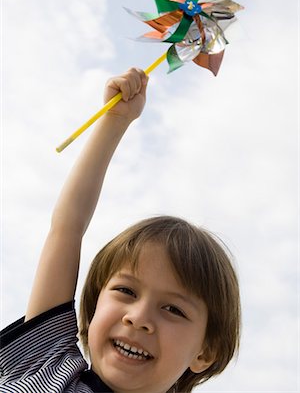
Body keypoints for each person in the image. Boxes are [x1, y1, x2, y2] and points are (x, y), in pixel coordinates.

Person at [0, 68, 241, 393]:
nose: (138, 317)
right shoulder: (47, 362)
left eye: (174, 309)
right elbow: (67, 228)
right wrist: (115, 120)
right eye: (126, 291)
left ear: (206, 351)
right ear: (95, 306)